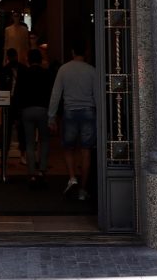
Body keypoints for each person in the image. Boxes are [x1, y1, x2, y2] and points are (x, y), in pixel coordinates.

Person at [47, 44, 96, 200]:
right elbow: (97, 95)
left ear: (72, 51)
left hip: (70, 111)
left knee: (68, 148)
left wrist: (51, 116)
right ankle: (83, 189)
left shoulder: (64, 69)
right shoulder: (91, 70)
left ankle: (72, 177)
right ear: (86, 53)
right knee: (86, 150)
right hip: (88, 111)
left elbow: (56, 94)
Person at [12, 48, 53, 186]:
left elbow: (17, 94)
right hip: (43, 110)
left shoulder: (23, 73)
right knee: (44, 141)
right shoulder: (47, 73)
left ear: (28, 60)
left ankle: (31, 173)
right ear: (40, 60)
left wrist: (17, 114)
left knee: (29, 143)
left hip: (27, 110)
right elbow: (51, 94)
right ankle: (42, 170)